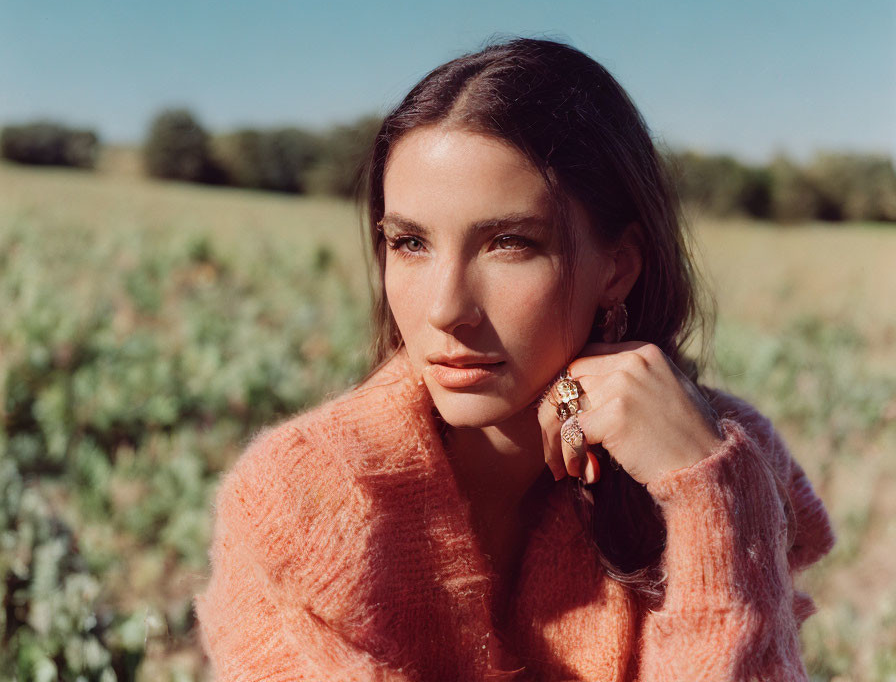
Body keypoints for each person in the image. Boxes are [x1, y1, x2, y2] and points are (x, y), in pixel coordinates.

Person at [195, 37, 835, 681]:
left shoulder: (721, 458)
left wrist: (708, 496)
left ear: (617, 269)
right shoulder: (296, 499)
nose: (447, 309)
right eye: (410, 242)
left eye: (508, 243)